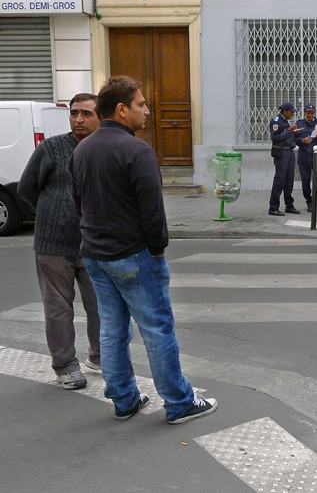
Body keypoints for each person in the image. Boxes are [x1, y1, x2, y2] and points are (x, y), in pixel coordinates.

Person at [70, 76, 218, 423]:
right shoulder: (137, 151)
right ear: (122, 110)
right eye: (141, 104)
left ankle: (123, 399)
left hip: (94, 253)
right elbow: (152, 211)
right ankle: (180, 402)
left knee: (112, 329)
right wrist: (158, 250)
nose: (147, 111)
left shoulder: (83, 149)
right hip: (133, 253)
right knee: (157, 329)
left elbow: (79, 203)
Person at [18, 93, 102, 390]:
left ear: (101, 116)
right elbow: (27, 187)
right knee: (58, 309)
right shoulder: (52, 148)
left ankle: (100, 356)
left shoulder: (104, 149)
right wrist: (52, 211)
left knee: (102, 306)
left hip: (94, 245)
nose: (78, 119)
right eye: (74, 113)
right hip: (53, 245)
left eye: (86, 114)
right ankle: (66, 366)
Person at [268, 102, 301, 216]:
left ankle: (289, 205)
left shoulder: (286, 122)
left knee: (289, 180)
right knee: (280, 179)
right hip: (281, 152)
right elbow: (275, 138)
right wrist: (289, 131)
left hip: (289, 152)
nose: (292, 114)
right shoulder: (276, 121)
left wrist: (296, 133)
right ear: (285, 111)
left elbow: (289, 138)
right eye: (291, 112)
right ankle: (273, 207)